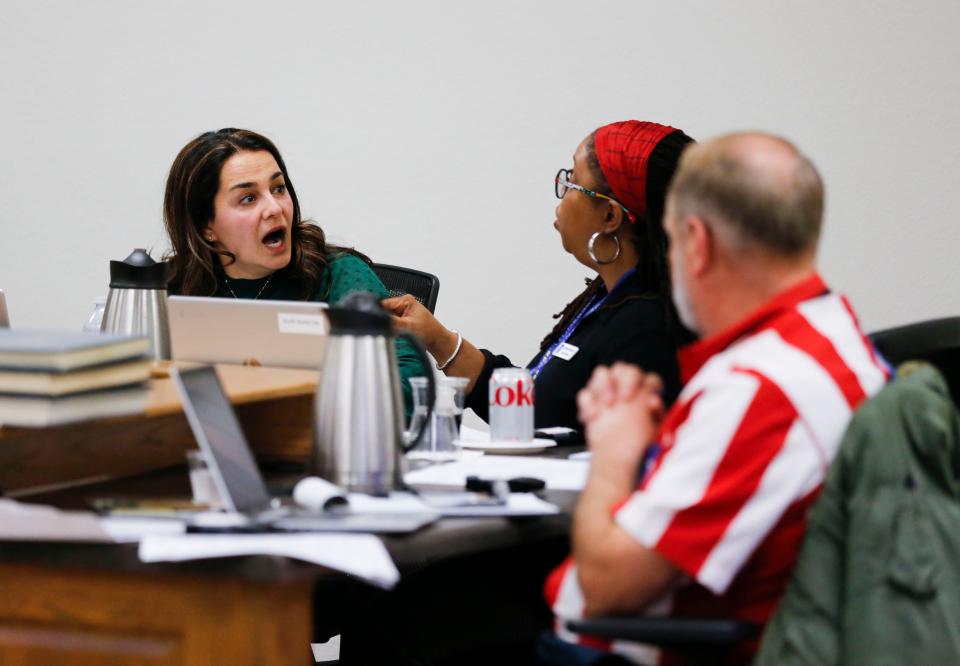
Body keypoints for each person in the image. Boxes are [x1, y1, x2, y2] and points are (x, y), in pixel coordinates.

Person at [542, 132, 890, 665]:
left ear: (697, 243)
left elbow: (608, 585)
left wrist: (615, 449)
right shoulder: (840, 340)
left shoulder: (757, 390)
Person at [385, 121, 695, 437]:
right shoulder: (607, 298)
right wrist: (438, 338)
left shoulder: (647, 329)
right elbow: (536, 405)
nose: (562, 192)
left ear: (610, 217)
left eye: (573, 181)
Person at [162, 128, 426, 411]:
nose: (275, 208)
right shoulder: (172, 288)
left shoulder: (338, 273)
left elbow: (410, 380)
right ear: (207, 227)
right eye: (249, 198)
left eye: (278, 188)